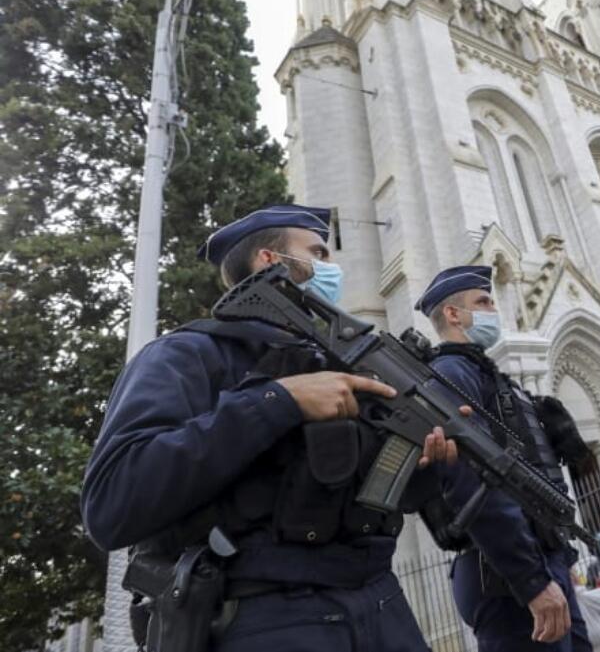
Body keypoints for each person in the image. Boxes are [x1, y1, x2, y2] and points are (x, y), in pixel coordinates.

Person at [82, 204, 460, 652]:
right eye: (318, 253)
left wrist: (426, 460)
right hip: (265, 614)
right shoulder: (187, 355)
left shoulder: (341, 368)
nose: (332, 268)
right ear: (270, 261)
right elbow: (112, 504)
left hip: (380, 603)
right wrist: (279, 401)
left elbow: (366, 496)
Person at [418, 265, 590, 652]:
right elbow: (472, 484)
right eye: (483, 302)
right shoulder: (450, 373)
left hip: (536, 557)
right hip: (502, 572)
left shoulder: (484, 374)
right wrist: (531, 579)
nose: (494, 309)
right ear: (453, 315)